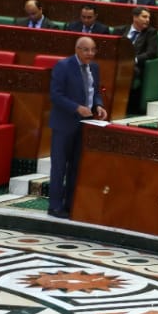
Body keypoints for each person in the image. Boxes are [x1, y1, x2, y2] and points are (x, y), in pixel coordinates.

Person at [48, 37, 108, 217]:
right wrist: (76, 108)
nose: (90, 54)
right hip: (64, 124)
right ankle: (55, 206)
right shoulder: (63, 66)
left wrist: (98, 105)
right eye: (86, 50)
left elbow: (95, 91)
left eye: (93, 50)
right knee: (59, 167)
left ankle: (70, 204)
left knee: (76, 166)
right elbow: (55, 95)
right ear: (77, 49)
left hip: (85, 124)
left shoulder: (94, 68)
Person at [122, 7, 158, 115]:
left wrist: (135, 59)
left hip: (136, 66)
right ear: (135, 17)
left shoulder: (151, 32)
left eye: (149, 17)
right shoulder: (121, 30)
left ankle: (124, 105)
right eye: (144, 17)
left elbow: (151, 53)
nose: (147, 20)